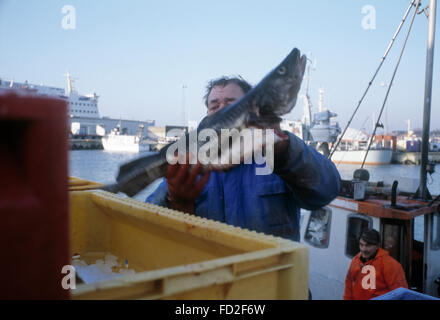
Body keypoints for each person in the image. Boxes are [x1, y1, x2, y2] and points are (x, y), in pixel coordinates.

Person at [146, 76, 341, 242]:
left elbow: (327, 191)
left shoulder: (281, 149)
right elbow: (150, 224)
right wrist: (176, 203)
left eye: (232, 104)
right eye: (214, 106)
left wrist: (285, 153)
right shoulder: (188, 162)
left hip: (274, 281)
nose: (221, 109)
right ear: (206, 117)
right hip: (207, 278)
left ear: (253, 110)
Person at [343, 228, 408, 300]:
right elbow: (348, 289)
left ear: (378, 246)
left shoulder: (391, 265)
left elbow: (401, 295)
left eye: (368, 246)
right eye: (361, 245)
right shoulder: (355, 261)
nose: (363, 249)